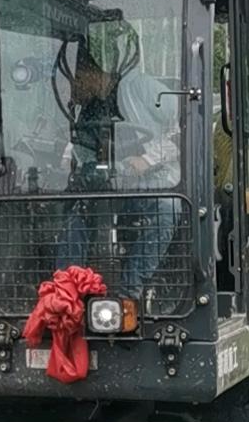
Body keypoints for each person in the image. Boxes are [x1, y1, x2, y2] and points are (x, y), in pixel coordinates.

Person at [64, 43, 181, 294]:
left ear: (89, 74)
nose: (71, 91)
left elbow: (185, 124)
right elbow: (75, 150)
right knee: (76, 216)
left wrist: (147, 159)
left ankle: (130, 291)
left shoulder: (138, 87)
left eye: (73, 82)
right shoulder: (87, 112)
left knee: (167, 209)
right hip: (110, 190)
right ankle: (66, 292)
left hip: (156, 185)